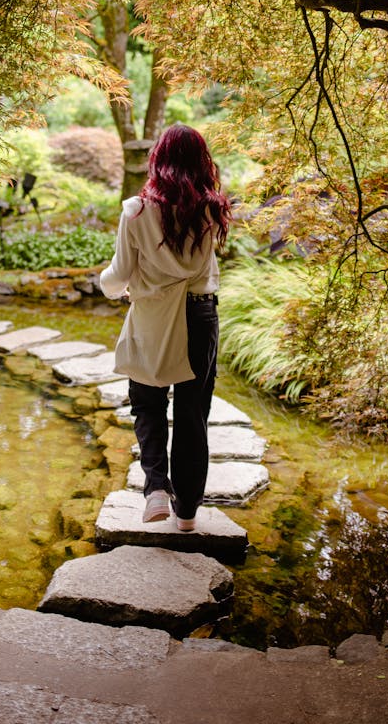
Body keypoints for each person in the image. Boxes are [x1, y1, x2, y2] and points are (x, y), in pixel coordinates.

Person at [99, 124, 232, 531]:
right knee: (193, 413)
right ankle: (188, 514)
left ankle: (156, 488)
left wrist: (108, 286)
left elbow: (119, 274)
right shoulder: (213, 208)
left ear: (158, 159)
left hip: (154, 316)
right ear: (201, 161)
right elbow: (207, 268)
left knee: (147, 402)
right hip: (200, 315)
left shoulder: (135, 211)